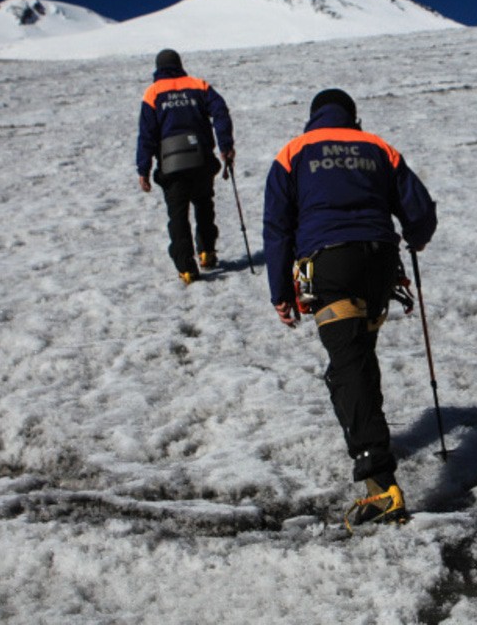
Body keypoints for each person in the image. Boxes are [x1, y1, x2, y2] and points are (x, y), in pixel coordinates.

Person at [263, 89, 436, 529]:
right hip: (379, 262)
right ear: (352, 117)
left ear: (313, 116)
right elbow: (421, 208)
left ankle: (380, 485)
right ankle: (373, 450)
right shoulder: (378, 147)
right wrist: (415, 235)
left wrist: (280, 291)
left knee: (348, 365)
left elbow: (278, 227)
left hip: (330, 263)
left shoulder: (293, 153)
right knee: (358, 358)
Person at [135, 48, 235, 284]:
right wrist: (225, 146)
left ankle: (186, 267)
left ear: (158, 68)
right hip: (200, 158)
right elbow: (220, 112)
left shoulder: (153, 93)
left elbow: (146, 134)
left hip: (171, 164)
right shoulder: (199, 85)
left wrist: (143, 169)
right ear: (179, 64)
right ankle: (207, 252)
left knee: (178, 216)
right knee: (203, 205)